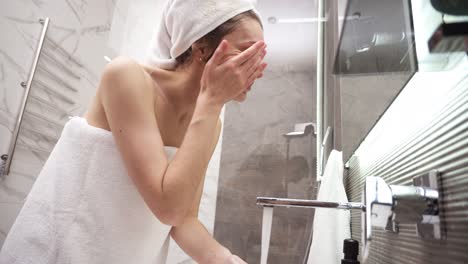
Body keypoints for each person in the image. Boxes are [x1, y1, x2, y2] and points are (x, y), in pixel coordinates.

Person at [0, 0, 266, 263]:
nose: (257, 69)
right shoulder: (126, 76)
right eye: (246, 52)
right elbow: (168, 208)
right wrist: (211, 102)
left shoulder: (210, 121)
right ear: (201, 47)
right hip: (57, 252)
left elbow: (184, 219)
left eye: (261, 56)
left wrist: (226, 259)